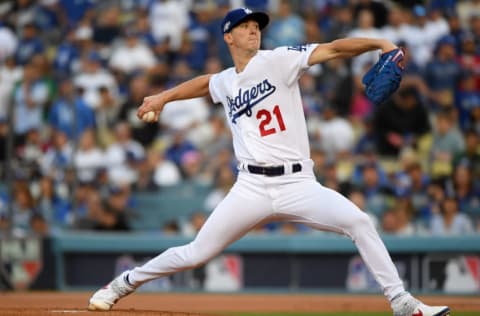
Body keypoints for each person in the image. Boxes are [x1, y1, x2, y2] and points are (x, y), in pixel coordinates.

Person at [88, 8, 450, 316]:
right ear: (228, 37)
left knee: (358, 221)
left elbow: (335, 48)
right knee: (196, 253)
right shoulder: (227, 81)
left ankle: (402, 303)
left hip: (298, 184)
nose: (254, 31)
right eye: (246, 27)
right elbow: (205, 83)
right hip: (251, 187)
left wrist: (380, 44)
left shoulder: (279, 59)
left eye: (257, 27)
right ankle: (124, 283)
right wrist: (163, 98)